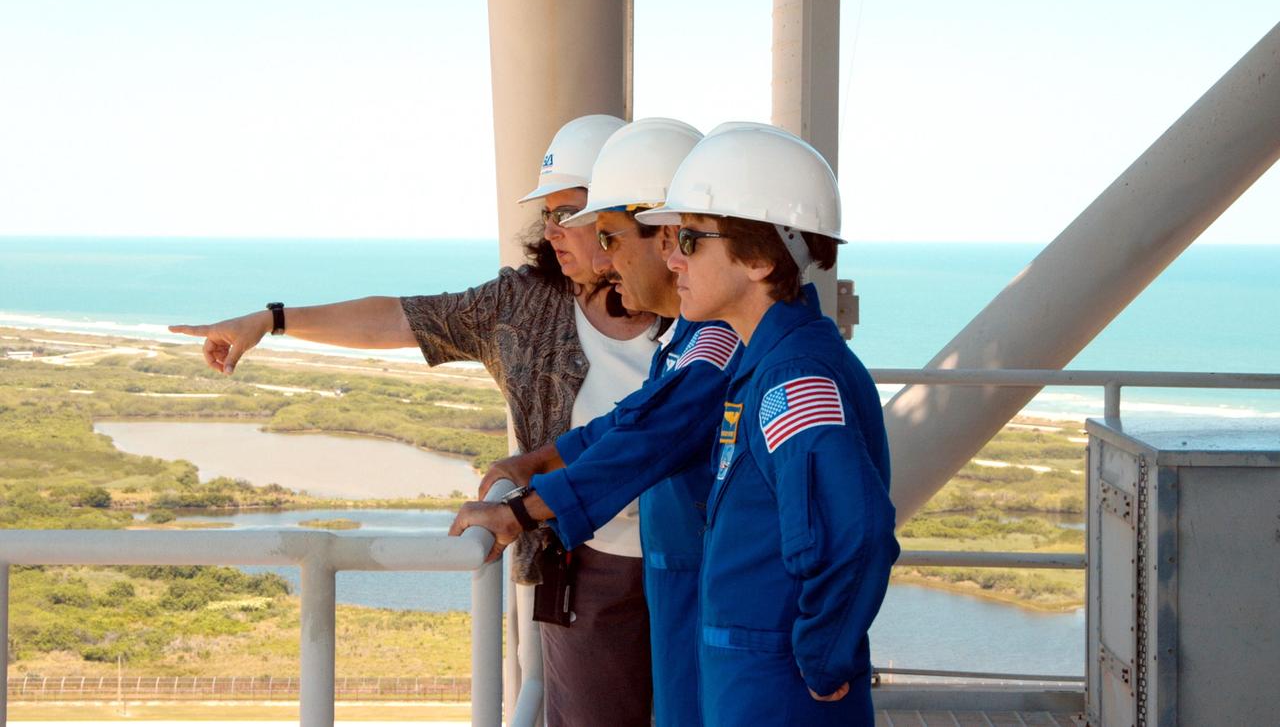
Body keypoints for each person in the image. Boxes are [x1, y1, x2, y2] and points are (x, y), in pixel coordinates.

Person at [168, 113, 659, 727]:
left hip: (692, 559)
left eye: (571, 211)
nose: (553, 230)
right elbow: (398, 319)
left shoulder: (693, 308)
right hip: (587, 566)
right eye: (548, 214)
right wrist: (272, 320)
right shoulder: (525, 304)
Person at [451, 116, 739, 726]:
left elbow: (643, 444)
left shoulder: (722, 349)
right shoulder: (689, 341)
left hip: (714, 586)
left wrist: (520, 512)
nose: (605, 262)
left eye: (610, 236)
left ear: (669, 237)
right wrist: (534, 464)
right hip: (681, 572)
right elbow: (622, 426)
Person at [634, 123, 900, 726]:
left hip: (778, 693)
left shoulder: (793, 380)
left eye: (690, 239)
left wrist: (824, 657)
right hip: (751, 683)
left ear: (758, 258)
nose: (672, 258)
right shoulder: (765, 368)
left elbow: (858, 532)